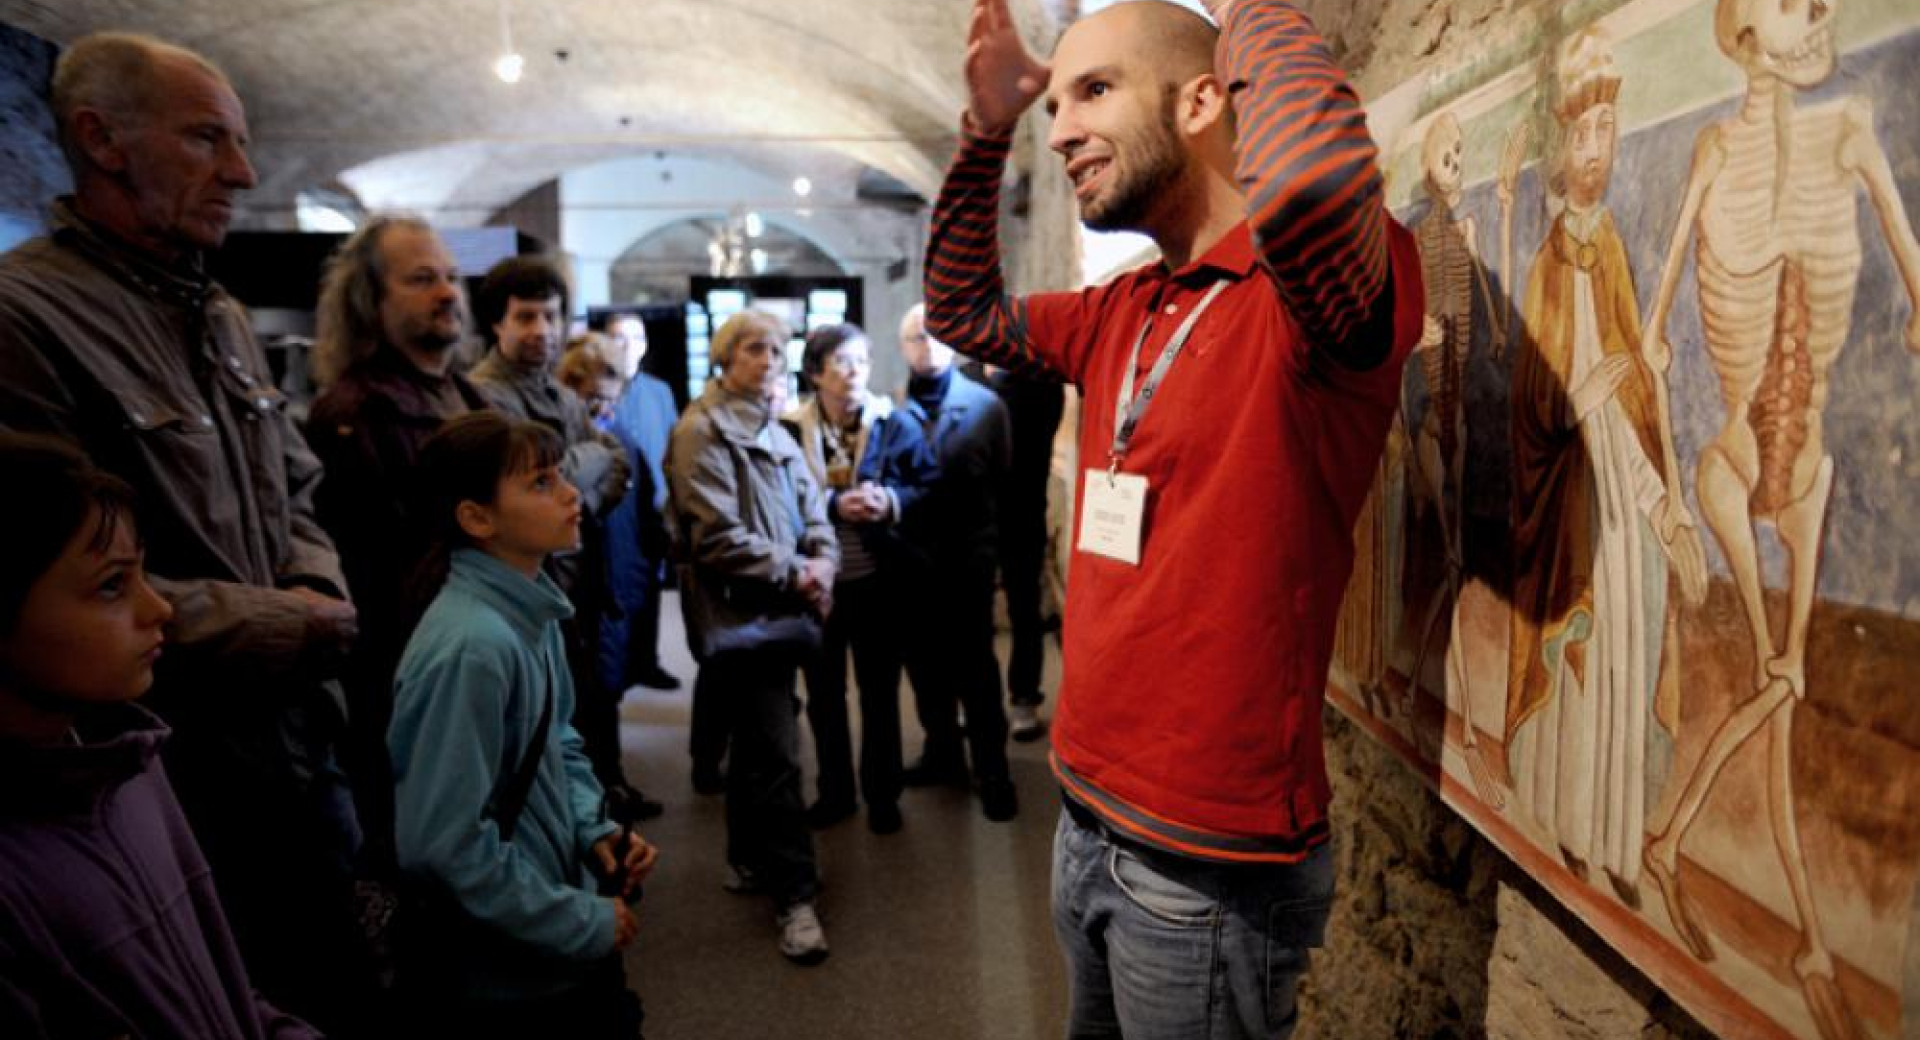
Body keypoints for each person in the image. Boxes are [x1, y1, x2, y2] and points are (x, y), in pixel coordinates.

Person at [925, 0, 1422, 1035]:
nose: (1058, 130)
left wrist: (1250, 15)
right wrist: (986, 133)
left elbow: (1314, 189)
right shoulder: (1125, 305)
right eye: (1055, 104)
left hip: (1207, 860)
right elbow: (961, 315)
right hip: (1086, 813)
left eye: (1092, 91)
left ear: (1204, 99)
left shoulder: (1307, 299)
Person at [0, 32, 372, 1030]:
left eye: (241, 144)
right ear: (101, 138)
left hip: (300, 742)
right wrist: (283, 621)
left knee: (340, 979)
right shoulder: (25, 316)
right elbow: (45, 573)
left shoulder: (224, 317)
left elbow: (295, 481)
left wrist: (314, 587)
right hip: (175, 765)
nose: (243, 173)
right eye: (209, 139)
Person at [0, 434, 322, 1040]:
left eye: (144, 575)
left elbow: (219, 987)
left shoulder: (132, 765)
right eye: (111, 587)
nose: (160, 609)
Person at [389, 411, 655, 1037]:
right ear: (476, 517)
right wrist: (577, 921)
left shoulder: (525, 609)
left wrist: (593, 828)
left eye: (560, 475)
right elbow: (446, 846)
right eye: (540, 483)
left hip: (547, 945)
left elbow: (557, 740)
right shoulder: (472, 645)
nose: (568, 493)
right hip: (508, 979)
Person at [307, 213, 490, 867]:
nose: (447, 292)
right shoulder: (354, 419)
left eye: (450, 276)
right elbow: (376, 587)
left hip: (484, 676)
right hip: (419, 696)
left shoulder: (468, 398)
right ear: (371, 301)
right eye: (421, 280)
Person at [667, 310, 837, 965]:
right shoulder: (700, 429)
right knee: (780, 755)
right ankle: (796, 898)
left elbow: (812, 504)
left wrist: (821, 559)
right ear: (724, 355)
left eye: (777, 349)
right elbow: (715, 536)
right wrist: (802, 572)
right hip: (743, 616)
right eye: (754, 349)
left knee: (756, 742)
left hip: (783, 608)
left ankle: (745, 856)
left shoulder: (773, 425)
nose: (769, 361)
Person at [469, 257, 660, 821]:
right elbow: (530, 487)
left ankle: (599, 811)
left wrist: (571, 502)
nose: (540, 330)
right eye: (525, 317)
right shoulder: (485, 398)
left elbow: (616, 465)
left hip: (577, 586)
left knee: (589, 704)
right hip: (524, 594)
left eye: (550, 316)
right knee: (540, 732)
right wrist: (577, 475)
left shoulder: (563, 398)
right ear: (497, 325)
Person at [783, 323, 938, 835]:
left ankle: (883, 793)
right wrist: (832, 504)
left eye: (862, 362)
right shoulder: (789, 428)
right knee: (824, 694)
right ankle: (835, 791)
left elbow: (928, 486)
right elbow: (777, 497)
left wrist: (888, 500)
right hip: (818, 582)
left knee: (879, 691)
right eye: (842, 362)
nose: (855, 373)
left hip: (879, 581)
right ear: (815, 372)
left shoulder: (896, 421)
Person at [896, 303, 1017, 822]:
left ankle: (993, 771)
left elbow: (1005, 488)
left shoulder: (987, 407)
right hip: (914, 564)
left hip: (967, 562)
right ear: (904, 348)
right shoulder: (893, 410)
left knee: (977, 672)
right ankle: (942, 751)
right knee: (924, 668)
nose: (929, 346)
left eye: (937, 336)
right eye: (918, 338)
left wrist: (997, 562)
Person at [978, 360, 1065, 741]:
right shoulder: (964, 376)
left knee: (1024, 609)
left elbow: (1028, 442)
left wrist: (1001, 378)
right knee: (973, 614)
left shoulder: (1037, 382)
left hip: (1022, 511)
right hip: (975, 517)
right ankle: (980, 700)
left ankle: (1024, 697)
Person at [603, 312, 682, 693]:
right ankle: (621, 666)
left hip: (654, 504)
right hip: (614, 507)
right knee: (619, 587)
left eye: (636, 338)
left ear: (646, 345)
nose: (628, 346)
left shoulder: (660, 391)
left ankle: (648, 661)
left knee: (651, 581)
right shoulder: (598, 387)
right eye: (619, 338)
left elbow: (673, 445)